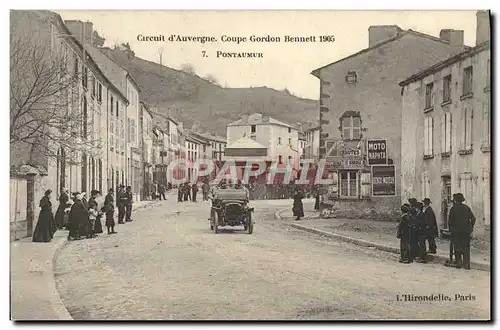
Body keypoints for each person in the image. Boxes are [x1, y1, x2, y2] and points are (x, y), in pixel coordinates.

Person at [448, 193, 476, 270]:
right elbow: (473, 218)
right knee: (466, 248)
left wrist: (451, 230)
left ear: (456, 200)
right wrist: (470, 228)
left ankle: (459, 263)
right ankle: (466, 265)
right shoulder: (466, 208)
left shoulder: (453, 209)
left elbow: (450, 221)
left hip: (456, 232)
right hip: (466, 232)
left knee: (457, 248)